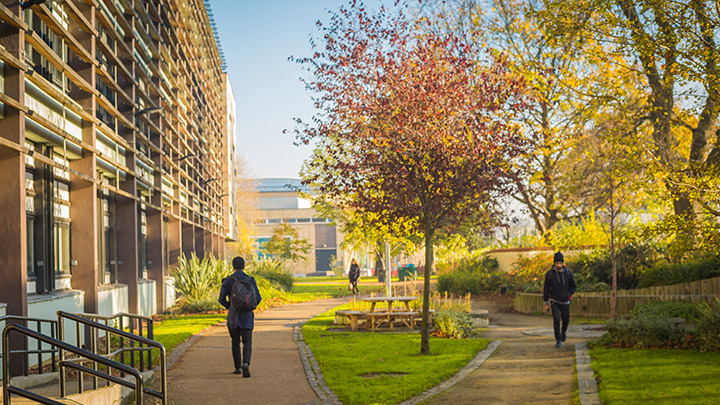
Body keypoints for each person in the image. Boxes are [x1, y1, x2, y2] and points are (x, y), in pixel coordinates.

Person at [218, 256, 262, 377]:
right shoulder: (250, 280)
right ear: (243, 266)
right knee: (247, 342)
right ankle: (246, 363)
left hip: (233, 317)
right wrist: (249, 307)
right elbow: (258, 298)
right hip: (247, 316)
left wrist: (230, 306)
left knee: (235, 341)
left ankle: (237, 367)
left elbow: (221, 299)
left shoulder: (228, 280)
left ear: (233, 266)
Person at [543, 252, 577, 348]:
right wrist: (546, 302)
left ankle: (563, 332)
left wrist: (569, 294)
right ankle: (558, 339)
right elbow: (546, 289)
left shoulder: (568, 273)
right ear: (554, 263)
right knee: (556, 319)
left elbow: (573, 286)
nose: (558, 265)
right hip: (554, 300)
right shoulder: (550, 274)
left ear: (563, 263)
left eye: (560, 263)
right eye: (557, 263)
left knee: (566, 320)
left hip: (565, 300)